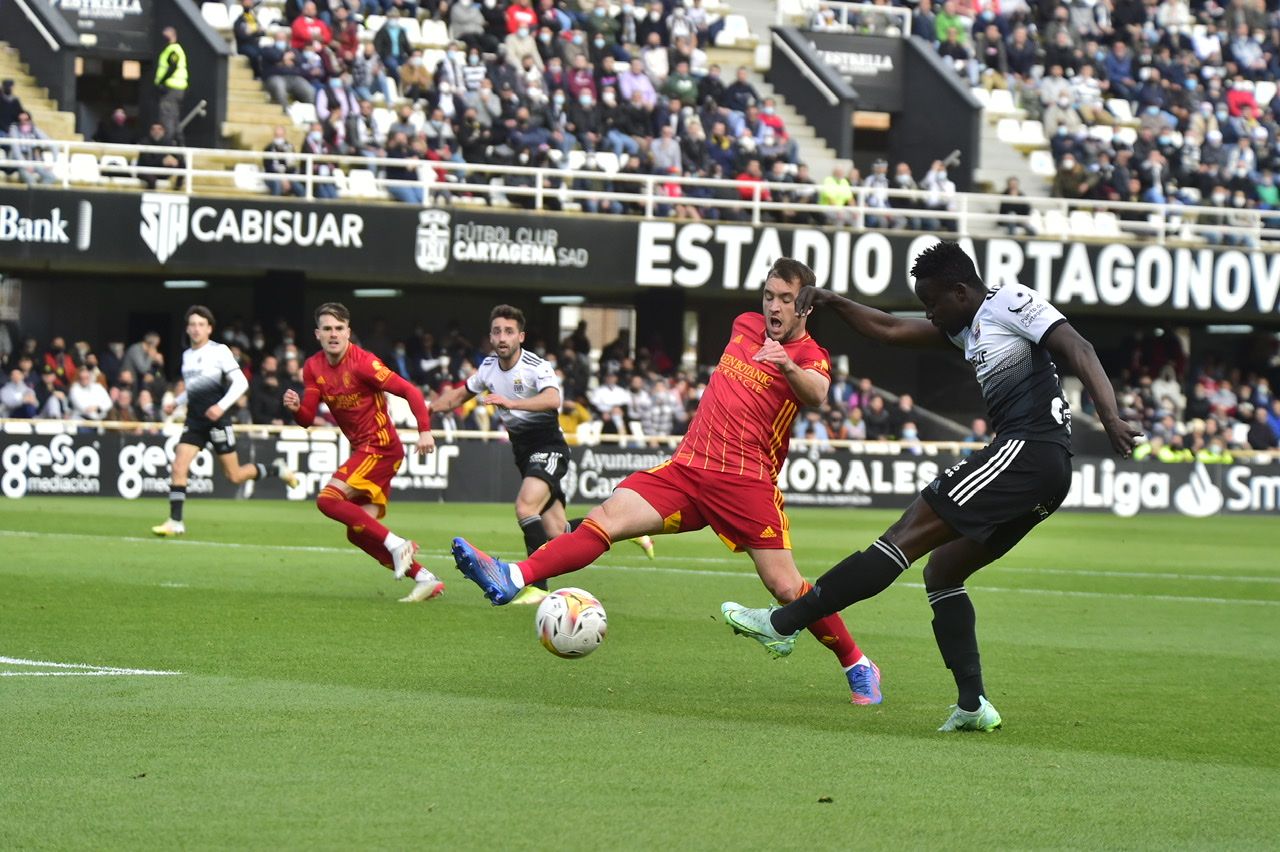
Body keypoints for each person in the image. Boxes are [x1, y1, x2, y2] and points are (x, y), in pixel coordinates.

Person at [720, 242, 1141, 731]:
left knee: (904, 535)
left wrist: (1110, 418)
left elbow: (1079, 348)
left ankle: (781, 623)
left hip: (1028, 451)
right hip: (1043, 471)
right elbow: (892, 329)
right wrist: (833, 302)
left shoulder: (1010, 302)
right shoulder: (968, 328)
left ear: (961, 291)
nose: (929, 313)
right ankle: (972, 705)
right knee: (942, 571)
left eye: (934, 302)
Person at [451, 259, 883, 706]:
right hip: (688, 468)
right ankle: (512, 576)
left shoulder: (811, 356)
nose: (773, 306)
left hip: (745, 481)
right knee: (605, 519)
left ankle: (857, 664)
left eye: (786, 299)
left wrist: (786, 366)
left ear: (806, 306)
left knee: (786, 588)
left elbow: (816, 393)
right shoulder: (744, 324)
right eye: (769, 295)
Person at [431, 305, 655, 605]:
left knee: (525, 507)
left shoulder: (535, 366)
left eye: (509, 331)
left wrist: (511, 403)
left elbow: (553, 399)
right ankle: (627, 530)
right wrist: (427, 408)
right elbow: (459, 395)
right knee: (556, 531)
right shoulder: (487, 366)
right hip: (524, 453)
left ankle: (537, 586)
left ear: (520, 336)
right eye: (497, 331)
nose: (502, 337)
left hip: (549, 448)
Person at [282, 303, 445, 603]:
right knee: (357, 532)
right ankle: (424, 577)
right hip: (365, 449)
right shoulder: (313, 367)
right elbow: (307, 418)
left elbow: (409, 390)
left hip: (381, 447)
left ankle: (398, 545)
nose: (333, 334)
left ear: (348, 332)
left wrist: (424, 429)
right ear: (318, 334)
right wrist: (295, 409)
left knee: (328, 500)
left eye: (339, 328)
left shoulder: (364, 363)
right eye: (327, 328)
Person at [152, 307, 300, 536]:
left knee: (235, 476)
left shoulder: (219, 351)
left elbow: (241, 383)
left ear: (209, 328)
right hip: (195, 421)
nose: (196, 328)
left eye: (201, 324)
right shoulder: (187, 356)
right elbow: (194, 389)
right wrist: (177, 401)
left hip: (217, 420)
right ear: (187, 328)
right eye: (192, 324)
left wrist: (220, 406)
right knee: (179, 465)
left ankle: (275, 469)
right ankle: (175, 521)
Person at [154, 27, 189, 142]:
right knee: (174, 119)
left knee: (167, 119)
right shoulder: (174, 49)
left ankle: (167, 147)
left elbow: (172, 67)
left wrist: (162, 82)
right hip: (177, 89)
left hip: (171, 88)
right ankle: (179, 146)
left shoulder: (173, 49)